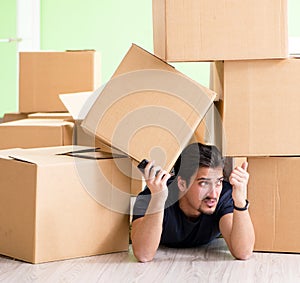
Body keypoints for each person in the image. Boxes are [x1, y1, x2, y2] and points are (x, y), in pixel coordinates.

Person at [131, 142, 255, 262]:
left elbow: (243, 252)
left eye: (218, 182)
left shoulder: (223, 195)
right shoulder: (151, 196)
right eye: (204, 183)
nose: (213, 194)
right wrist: (158, 199)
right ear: (182, 184)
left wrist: (240, 201)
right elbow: (144, 255)